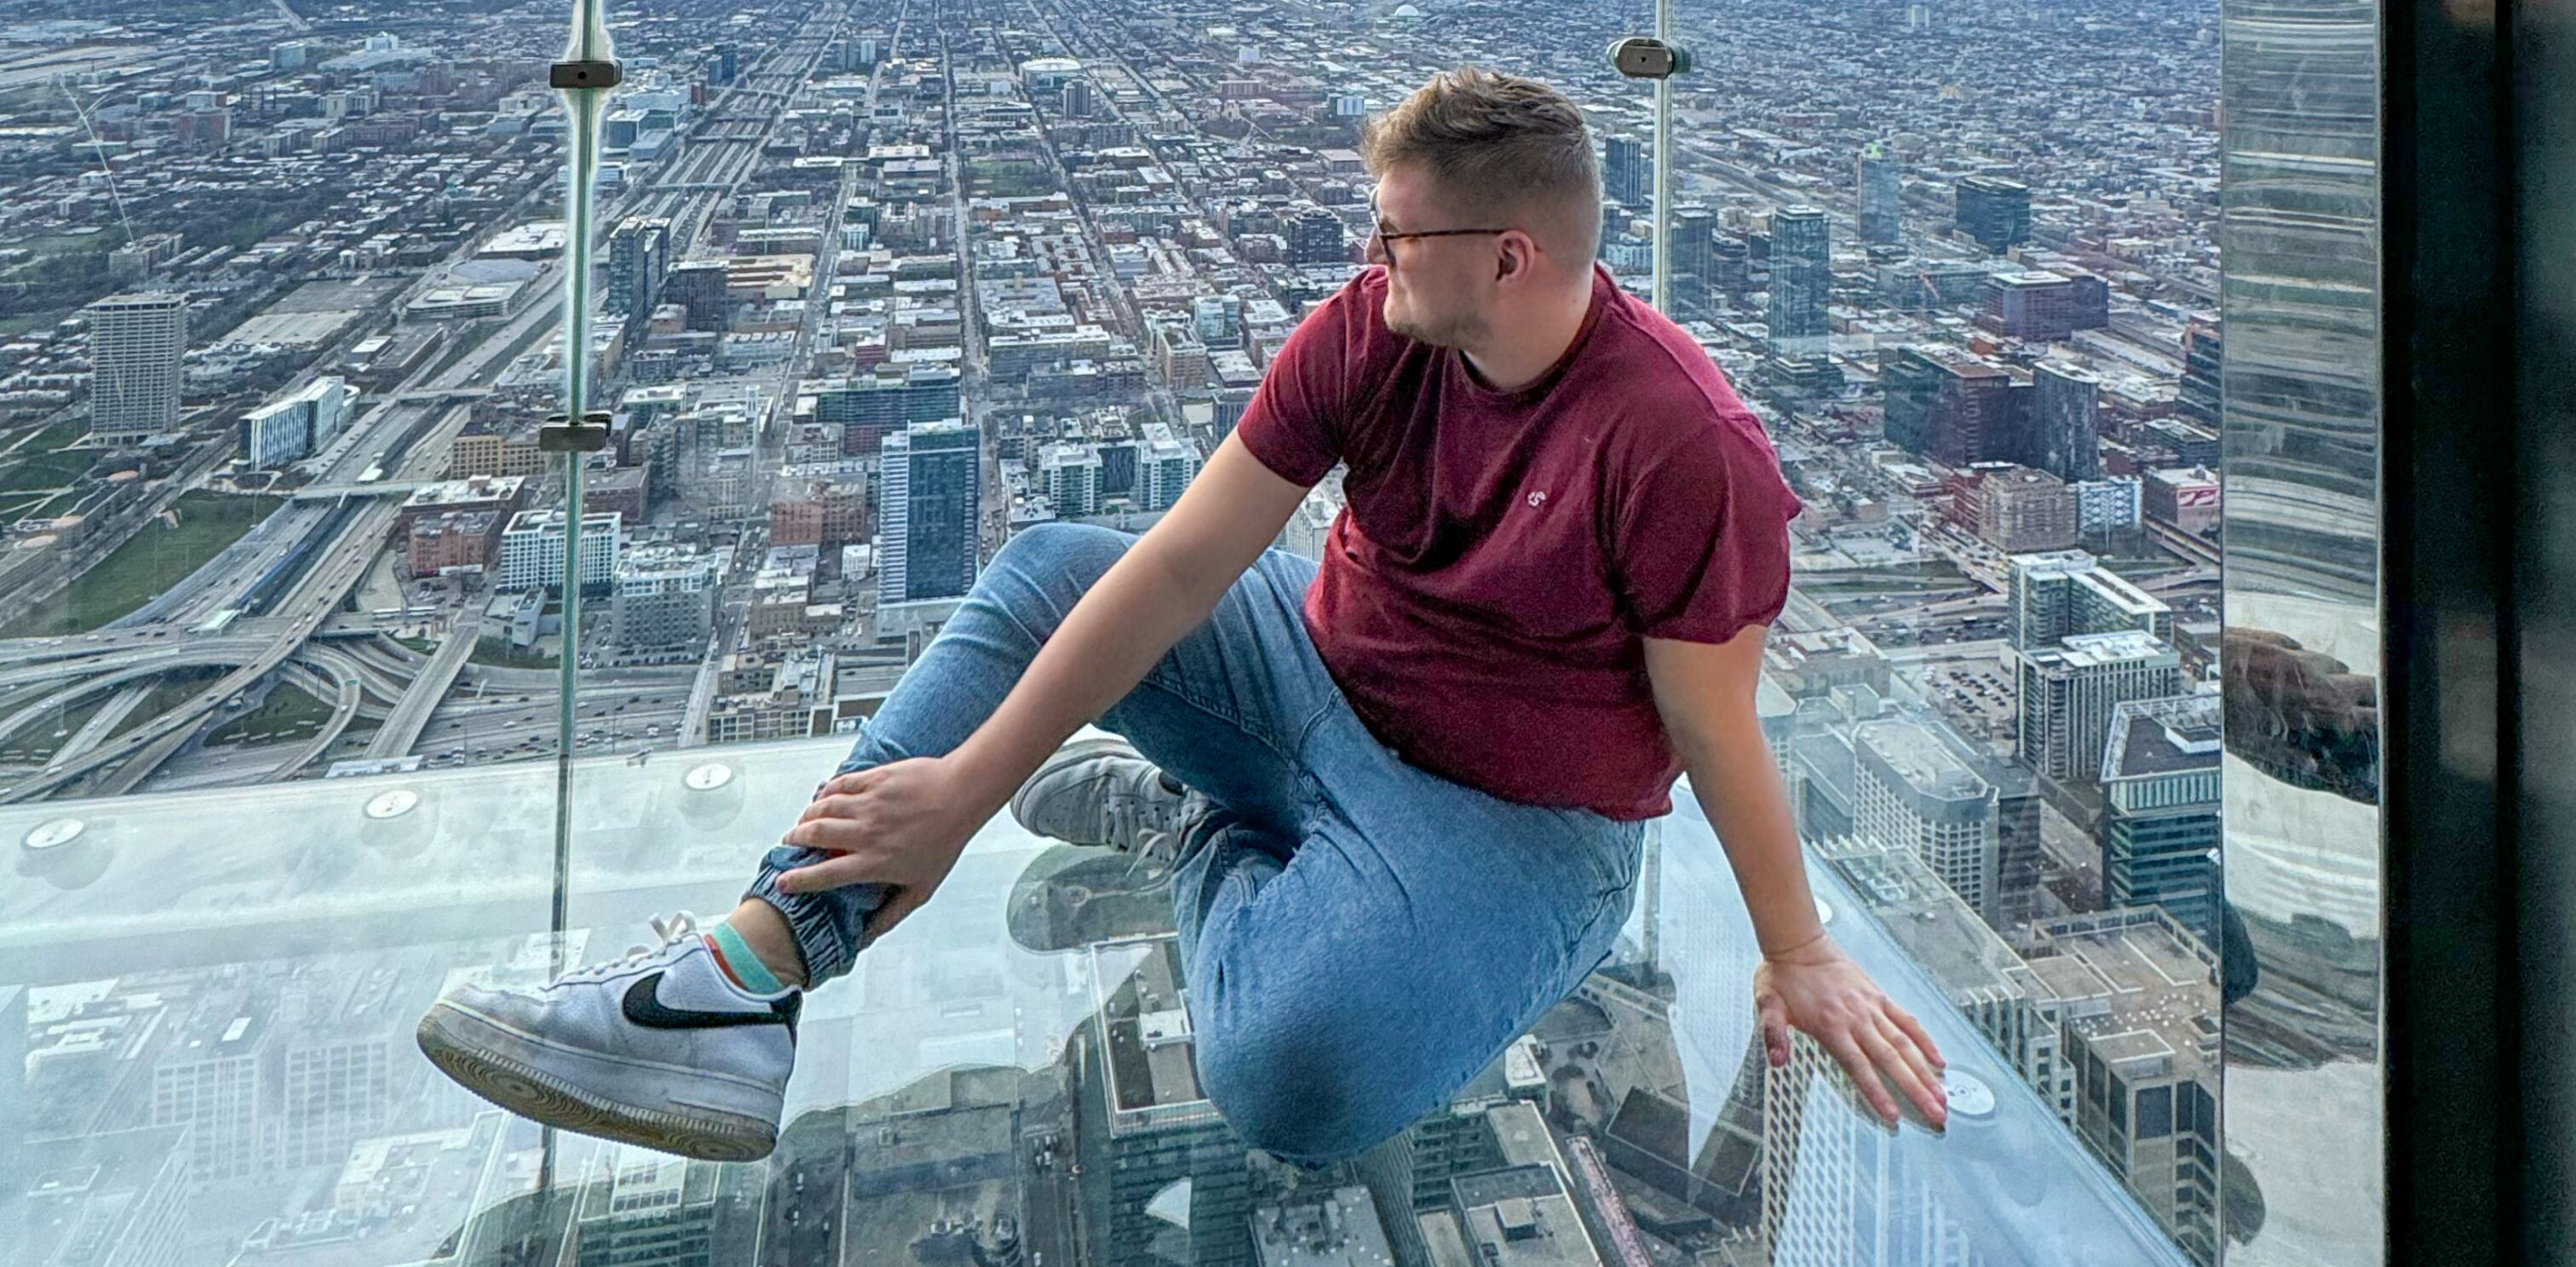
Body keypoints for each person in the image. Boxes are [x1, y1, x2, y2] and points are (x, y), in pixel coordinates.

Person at [417, 66, 1947, 1165]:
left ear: (1509, 256)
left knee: (1291, 1082)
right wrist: (961, 792)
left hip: (1516, 819)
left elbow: (1709, 717)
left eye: (1396, 234)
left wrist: (1794, 944)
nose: (1370, 257)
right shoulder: (1372, 332)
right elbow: (1174, 563)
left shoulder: (1680, 442)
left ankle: (1194, 832)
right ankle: (746, 977)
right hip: (1311, 671)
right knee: (1047, 571)